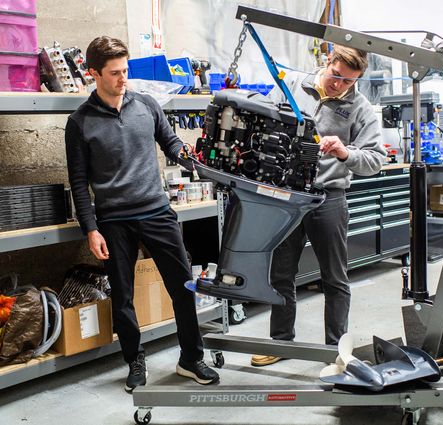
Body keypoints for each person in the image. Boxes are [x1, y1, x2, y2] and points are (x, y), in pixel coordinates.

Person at [64, 36, 219, 391]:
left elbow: (171, 143)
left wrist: (187, 155)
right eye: (115, 73)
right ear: (94, 74)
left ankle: (191, 359)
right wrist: (91, 229)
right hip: (113, 221)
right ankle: (134, 361)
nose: (123, 79)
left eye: (125, 70)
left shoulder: (147, 105)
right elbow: (78, 182)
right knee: (123, 297)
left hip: (157, 212)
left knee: (183, 286)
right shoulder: (80, 122)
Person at [251, 45, 386, 366]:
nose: (340, 86)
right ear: (328, 62)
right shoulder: (293, 84)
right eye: (337, 77)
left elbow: (376, 159)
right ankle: (281, 343)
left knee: (334, 278)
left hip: (328, 198)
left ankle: (335, 351)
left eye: (349, 82)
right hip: (286, 196)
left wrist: (344, 152)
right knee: (281, 273)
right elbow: (263, 120)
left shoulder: (360, 108)